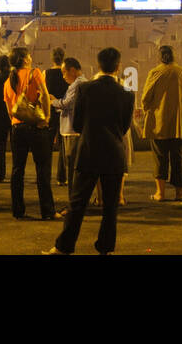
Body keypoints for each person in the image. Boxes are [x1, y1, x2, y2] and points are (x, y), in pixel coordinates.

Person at [47, 47, 134, 256]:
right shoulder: (126, 95)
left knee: (77, 204)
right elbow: (124, 127)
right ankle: (105, 248)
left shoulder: (85, 89)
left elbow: (77, 124)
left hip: (88, 152)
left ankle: (64, 246)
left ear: (98, 65)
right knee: (110, 208)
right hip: (114, 154)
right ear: (118, 67)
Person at [1, 48, 58, 220]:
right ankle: (47, 211)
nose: (31, 58)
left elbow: (10, 111)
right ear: (25, 60)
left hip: (17, 129)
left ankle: (18, 211)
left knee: (17, 170)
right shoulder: (35, 73)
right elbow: (45, 96)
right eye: (29, 56)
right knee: (42, 170)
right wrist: (46, 117)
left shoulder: (7, 82)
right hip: (36, 127)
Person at [141, 45, 182, 202]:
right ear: (174, 56)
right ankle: (179, 192)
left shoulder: (155, 73)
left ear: (160, 57)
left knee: (160, 158)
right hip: (180, 125)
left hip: (159, 124)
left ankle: (160, 193)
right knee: (178, 158)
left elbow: (145, 98)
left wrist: (150, 111)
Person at [56, 57, 86, 199]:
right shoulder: (79, 83)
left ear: (73, 70)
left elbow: (67, 103)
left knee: (73, 169)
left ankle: (73, 202)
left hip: (72, 131)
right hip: (72, 130)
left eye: (64, 72)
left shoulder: (78, 84)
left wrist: (52, 102)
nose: (63, 77)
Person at [44, 48, 70, 186]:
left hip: (50, 112)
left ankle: (45, 175)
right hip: (64, 111)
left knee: (46, 146)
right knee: (63, 147)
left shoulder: (46, 73)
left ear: (52, 59)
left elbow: (43, 93)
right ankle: (62, 177)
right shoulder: (66, 73)